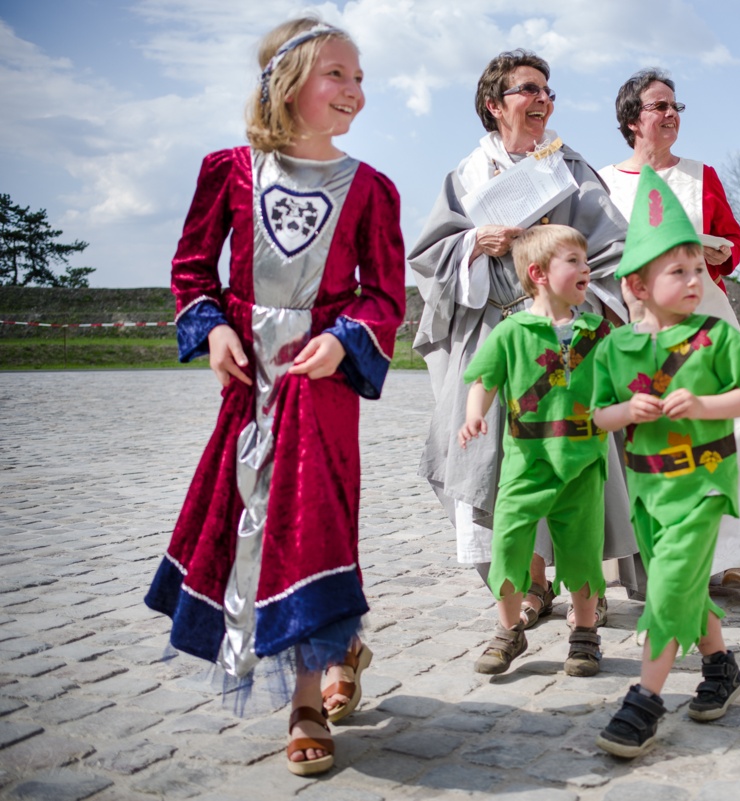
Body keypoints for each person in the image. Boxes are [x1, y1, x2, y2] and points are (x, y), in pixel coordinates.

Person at [143, 17, 406, 777]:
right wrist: (213, 329)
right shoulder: (228, 171)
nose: (355, 90)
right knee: (247, 521)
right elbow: (193, 269)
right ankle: (338, 641)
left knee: (313, 520)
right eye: (338, 75)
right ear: (287, 84)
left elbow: (384, 293)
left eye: (360, 78)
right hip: (247, 380)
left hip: (318, 386)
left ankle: (305, 699)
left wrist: (346, 339)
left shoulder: (371, 189)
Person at [409, 49, 637, 622]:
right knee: (504, 462)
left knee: (571, 453)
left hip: (563, 335)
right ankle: (531, 583)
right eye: (528, 90)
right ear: (494, 105)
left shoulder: (569, 168)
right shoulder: (464, 176)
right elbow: (429, 256)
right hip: (495, 330)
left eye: (547, 91)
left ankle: (585, 581)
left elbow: (615, 246)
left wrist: (562, 261)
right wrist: (473, 245)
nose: (542, 100)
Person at [591, 167, 740, 759]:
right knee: (686, 582)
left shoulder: (717, 338)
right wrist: (625, 411)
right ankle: (720, 667)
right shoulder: (618, 347)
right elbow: (595, 418)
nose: (696, 279)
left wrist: (703, 403)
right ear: (638, 287)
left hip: (702, 485)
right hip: (649, 491)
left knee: (669, 585)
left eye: (699, 268)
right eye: (679, 271)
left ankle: (644, 700)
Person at [598, 68, 740, 590]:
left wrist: (712, 251)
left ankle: (738, 553)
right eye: (660, 106)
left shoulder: (703, 176)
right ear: (633, 119)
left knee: (733, 428)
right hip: (637, 323)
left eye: (676, 105)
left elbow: (732, 242)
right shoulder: (604, 182)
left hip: (707, 313)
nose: (672, 113)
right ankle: (639, 554)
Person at [458, 225, 608, 676]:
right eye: (575, 261)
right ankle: (508, 631)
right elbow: (485, 380)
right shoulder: (511, 331)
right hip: (525, 463)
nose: (587, 268)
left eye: (585, 260)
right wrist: (474, 414)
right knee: (508, 544)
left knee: (582, 551)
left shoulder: (597, 330)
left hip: (582, 462)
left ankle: (584, 634)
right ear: (539, 273)